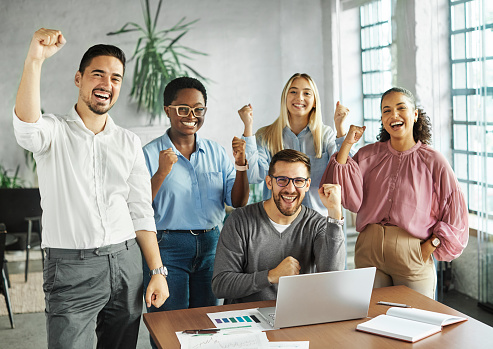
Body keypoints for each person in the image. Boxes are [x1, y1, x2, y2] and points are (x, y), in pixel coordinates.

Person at [13, 28, 169, 348]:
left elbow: (140, 210)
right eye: (98, 74)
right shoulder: (53, 132)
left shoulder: (128, 141)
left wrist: (157, 270)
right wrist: (35, 60)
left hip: (127, 263)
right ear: (78, 79)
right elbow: (27, 128)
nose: (106, 84)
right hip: (71, 267)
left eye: (115, 78)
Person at [321, 87, 469, 299]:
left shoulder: (434, 161)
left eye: (401, 108)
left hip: (413, 255)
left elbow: (455, 211)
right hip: (369, 252)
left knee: (416, 322)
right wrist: (347, 143)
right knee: (370, 321)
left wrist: (431, 245)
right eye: (386, 110)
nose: (394, 115)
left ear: (415, 114)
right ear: (381, 118)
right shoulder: (368, 155)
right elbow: (341, 189)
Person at [142, 77, 249, 313]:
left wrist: (241, 166)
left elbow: (238, 201)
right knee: (169, 322)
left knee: (208, 320)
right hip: (167, 247)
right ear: (167, 110)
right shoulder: (148, 154)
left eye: (198, 109)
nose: (191, 115)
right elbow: (138, 208)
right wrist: (161, 173)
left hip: (212, 245)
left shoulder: (216, 152)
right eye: (182, 109)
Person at [212, 149, 346, 304]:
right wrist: (271, 276)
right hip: (247, 318)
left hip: (296, 316)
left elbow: (332, 278)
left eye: (298, 181)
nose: (290, 189)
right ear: (269, 182)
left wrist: (335, 214)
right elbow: (221, 285)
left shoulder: (316, 224)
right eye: (282, 180)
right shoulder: (240, 220)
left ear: (307, 184)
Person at [238, 73, 350, 216]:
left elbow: (343, 178)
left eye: (307, 93)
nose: (299, 98)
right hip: (276, 223)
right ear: (285, 98)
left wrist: (340, 128)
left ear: (315, 101)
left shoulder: (325, 135)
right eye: (293, 92)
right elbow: (253, 176)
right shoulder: (266, 135)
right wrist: (248, 127)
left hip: (316, 223)